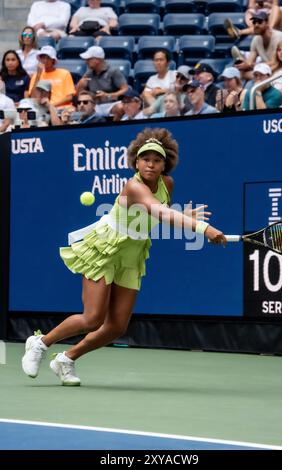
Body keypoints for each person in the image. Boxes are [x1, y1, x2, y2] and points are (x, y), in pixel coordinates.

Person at [21, 127, 227, 386]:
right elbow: (160, 212)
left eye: (156, 160)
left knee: (117, 326)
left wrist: (186, 215)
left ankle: (66, 358)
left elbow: (157, 213)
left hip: (133, 254)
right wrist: (202, 228)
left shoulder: (168, 184)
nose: (150, 165)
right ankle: (40, 343)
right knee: (92, 318)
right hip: (106, 248)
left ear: (165, 164)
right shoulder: (133, 186)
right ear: (136, 162)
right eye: (145, 159)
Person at [77, 46, 128, 118]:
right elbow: (80, 96)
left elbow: (125, 89)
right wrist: (80, 86)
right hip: (95, 105)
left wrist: (108, 96)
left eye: (89, 59)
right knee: (81, 107)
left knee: (120, 107)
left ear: (97, 60)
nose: (86, 62)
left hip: (112, 104)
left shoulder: (113, 71)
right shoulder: (88, 74)